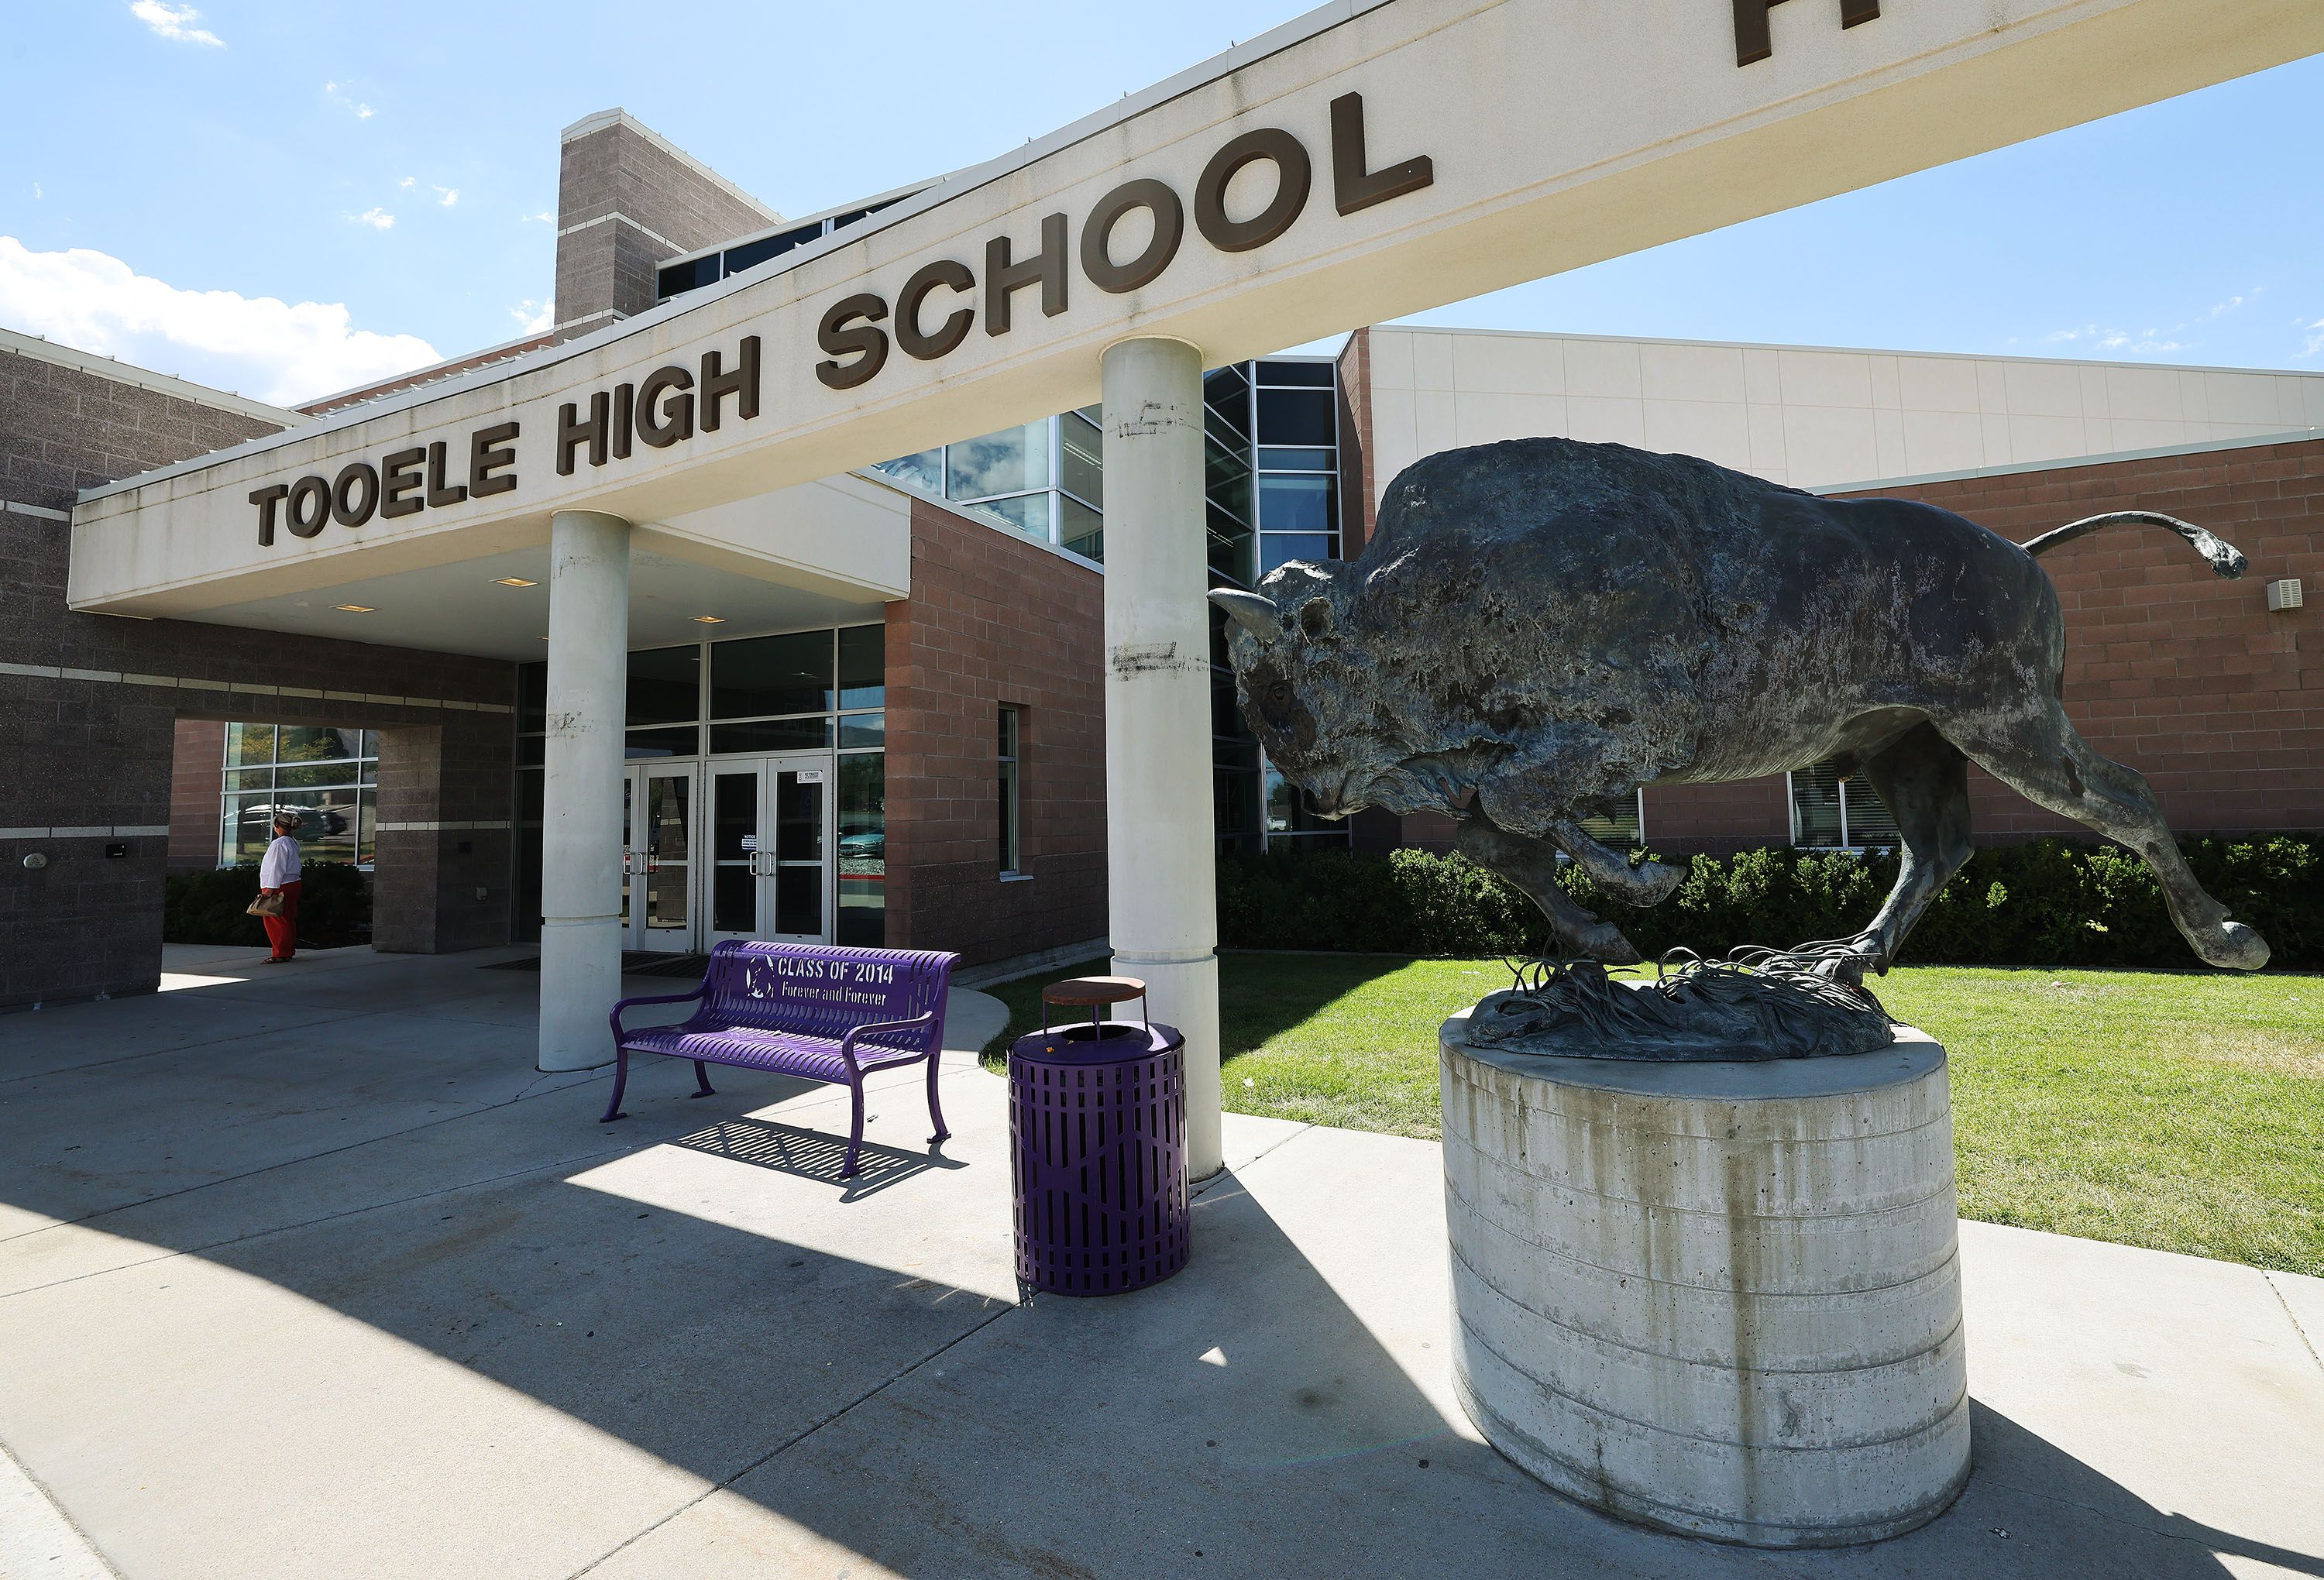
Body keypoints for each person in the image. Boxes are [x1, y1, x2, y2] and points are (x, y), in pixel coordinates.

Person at [258, 811, 304, 963]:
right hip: (293, 883)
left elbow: (277, 867)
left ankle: (280, 953)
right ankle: (287, 950)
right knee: (287, 919)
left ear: (277, 826)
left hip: (280, 885)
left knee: (275, 920)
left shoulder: (279, 844)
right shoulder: (292, 842)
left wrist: (270, 888)